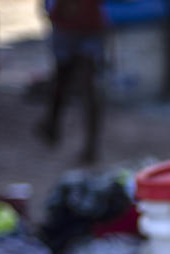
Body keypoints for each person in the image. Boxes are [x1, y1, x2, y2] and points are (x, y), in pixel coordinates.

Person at [35, 0, 106, 164]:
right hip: (88, 23)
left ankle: (53, 127)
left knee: (63, 79)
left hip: (69, 25)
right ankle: (89, 145)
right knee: (86, 86)